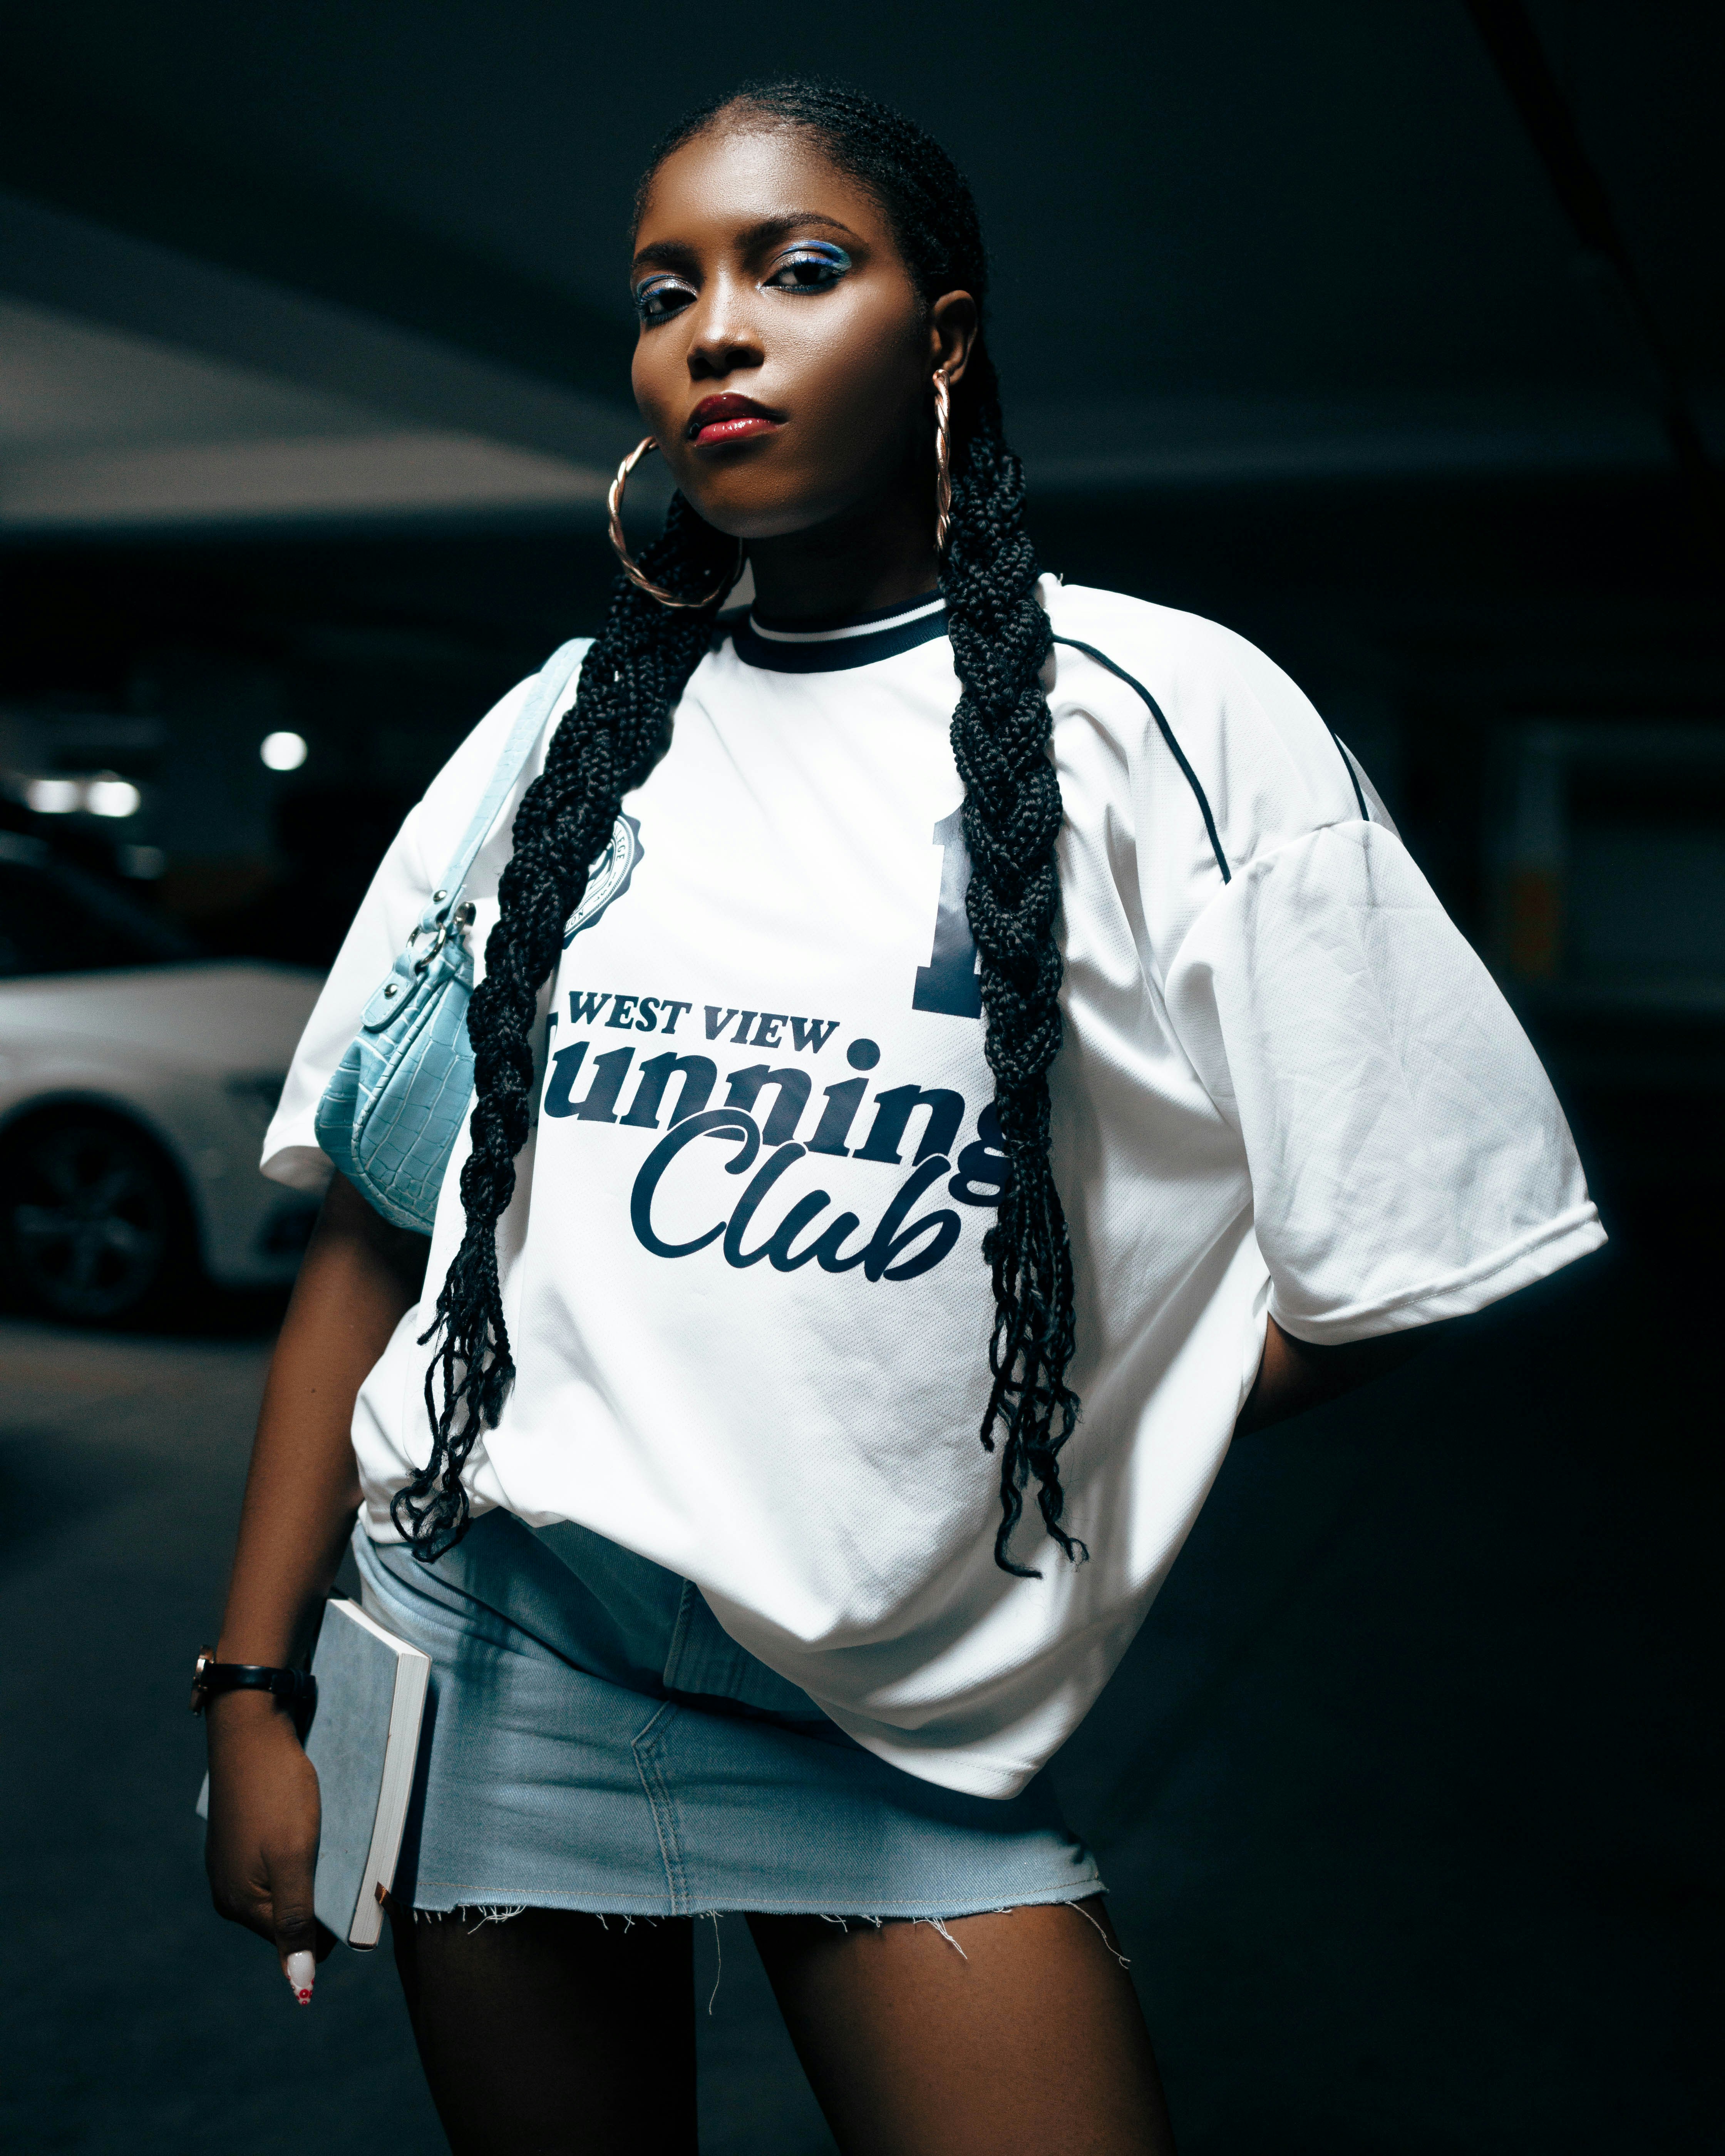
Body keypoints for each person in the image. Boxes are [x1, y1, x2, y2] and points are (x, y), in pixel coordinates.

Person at [199, 79, 1604, 2156]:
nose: (719, 332)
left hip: (891, 1720)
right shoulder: (544, 747)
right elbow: (380, 1240)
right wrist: (248, 1693)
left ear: (941, 336)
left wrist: (1027, 1445)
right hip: (494, 1663)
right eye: (668, 289)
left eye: (799, 268)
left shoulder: (1170, 715)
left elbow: (1414, 1243)